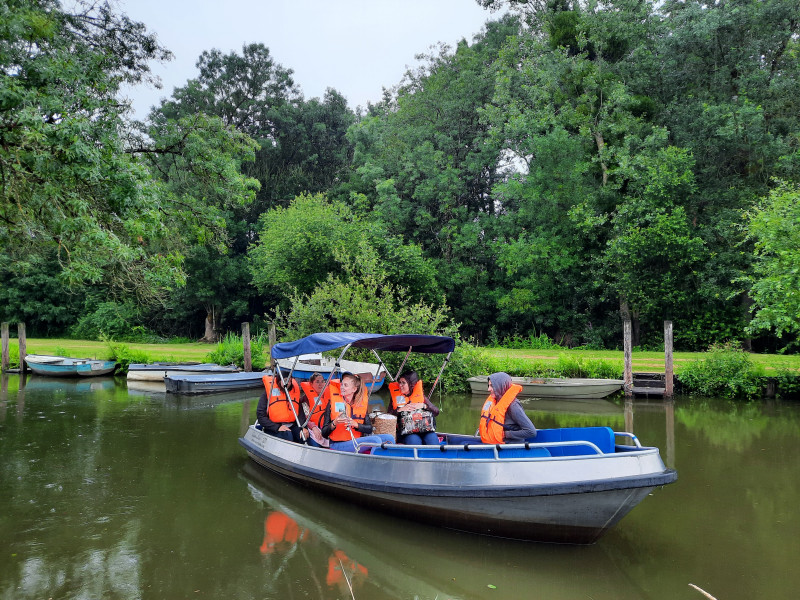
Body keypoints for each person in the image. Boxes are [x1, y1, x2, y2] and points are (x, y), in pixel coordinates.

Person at [320, 372, 394, 452]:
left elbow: (369, 429)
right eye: (341, 384)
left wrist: (355, 424)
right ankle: (375, 462)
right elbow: (324, 433)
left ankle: (392, 460)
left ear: (354, 389)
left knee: (389, 438)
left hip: (356, 441)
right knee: (375, 440)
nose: (341, 387)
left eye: (346, 385)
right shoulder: (332, 403)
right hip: (338, 444)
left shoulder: (360, 405)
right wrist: (334, 423)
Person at [478, 372, 537, 444]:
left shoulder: (513, 406)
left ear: (501, 386)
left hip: (509, 446)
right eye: (488, 385)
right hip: (493, 442)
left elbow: (531, 432)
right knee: (463, 442)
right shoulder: (495, 402)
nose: (488, 389)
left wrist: (505, 434)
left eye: (492, 386)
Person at [386, 370, 440, 445]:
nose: (400, 385)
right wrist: (399, 410)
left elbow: (436, 412)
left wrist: (424, 405)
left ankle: (433, 456)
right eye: (399, 382)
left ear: (411, 384)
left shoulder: (421, 397)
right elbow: (388, 416)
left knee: (432, 439)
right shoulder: (395, 397)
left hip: (424, 429)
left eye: (403, 383)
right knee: (414, 440)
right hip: (406, 432)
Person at [257, 374, 308, 443]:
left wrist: (303, 427)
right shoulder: (268, 394)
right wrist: (277, 427)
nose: (287, 383)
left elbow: (300, 414)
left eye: (289, 381)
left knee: (303, 435)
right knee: (287, 435)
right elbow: (261, 416)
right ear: (279, 380)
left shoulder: (294, 394)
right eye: (285, 380)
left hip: (291, 425)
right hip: (273, 426)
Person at [299, 372, 329, 448]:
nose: (320, 384)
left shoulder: (329, 396)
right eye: (317, 382)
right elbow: (305, 418)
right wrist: (313, 427)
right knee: (317, 446)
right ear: (311, 384)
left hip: (327, 427)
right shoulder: (305, 400)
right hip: (312, 429)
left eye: (322, 381)